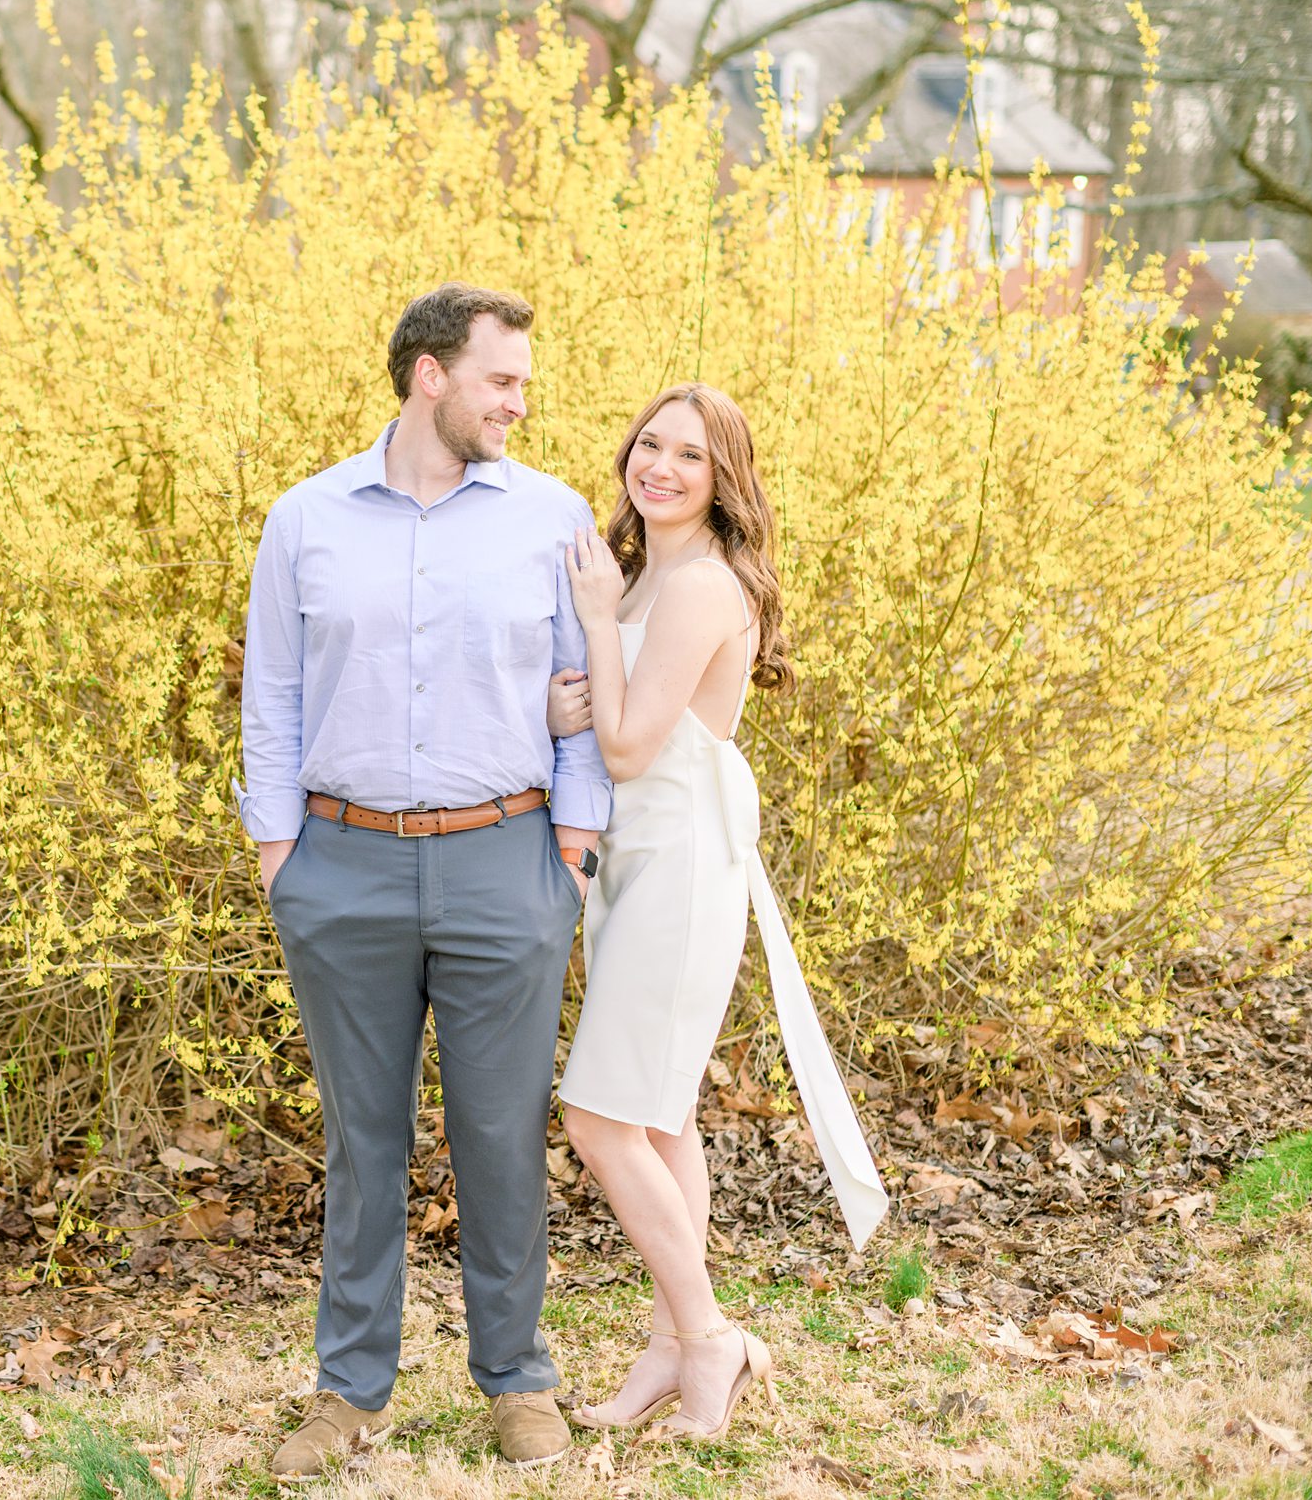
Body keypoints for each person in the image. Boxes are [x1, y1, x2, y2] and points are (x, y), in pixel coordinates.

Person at [239, 283, 612, 1476]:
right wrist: (279, 851)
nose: (520, 402)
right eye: (502, 379)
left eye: (525, 384)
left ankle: (517, 1378)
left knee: (502, 1134)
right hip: (338, 865)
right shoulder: (305, 518)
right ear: (430, 375)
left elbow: (582, 690)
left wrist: (575, 844)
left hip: (509, 858)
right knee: (364, 1140)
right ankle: (350, 1392)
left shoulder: (552, 517)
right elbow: (275, 690)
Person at [545, 382, 888, 1442]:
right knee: (661, 1116)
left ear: (724, 477)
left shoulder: (697, 587)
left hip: (684, 865)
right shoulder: (654, 572)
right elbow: (611, 716)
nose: (661, 467)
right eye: (650, 444)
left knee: (598, 1118)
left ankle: (709, 1336)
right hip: (634, 863)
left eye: (691, 456)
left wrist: (598, 633)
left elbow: (632, 746)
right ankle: (666, 1355)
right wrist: (576, 689)